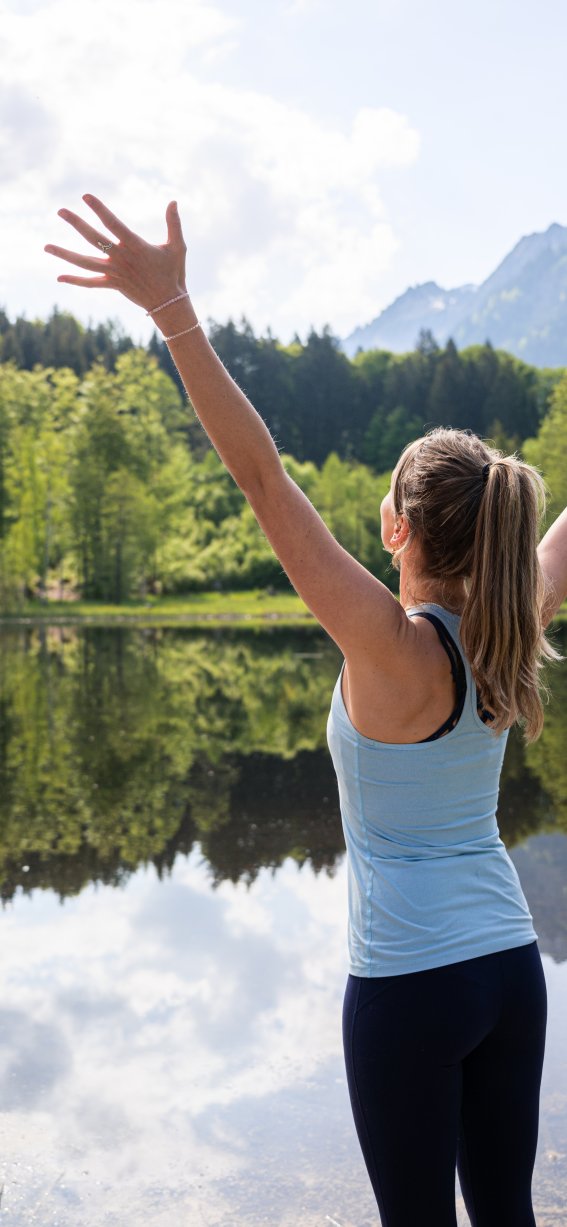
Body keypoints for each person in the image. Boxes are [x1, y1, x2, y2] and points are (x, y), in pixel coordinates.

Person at [46, 198, 567, 1227]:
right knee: (505, 1213)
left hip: (411, 985)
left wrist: (175, 311)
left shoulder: (390, 648)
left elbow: (261, 479)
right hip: (512, 973)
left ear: (397, 526)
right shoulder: (514, 626)